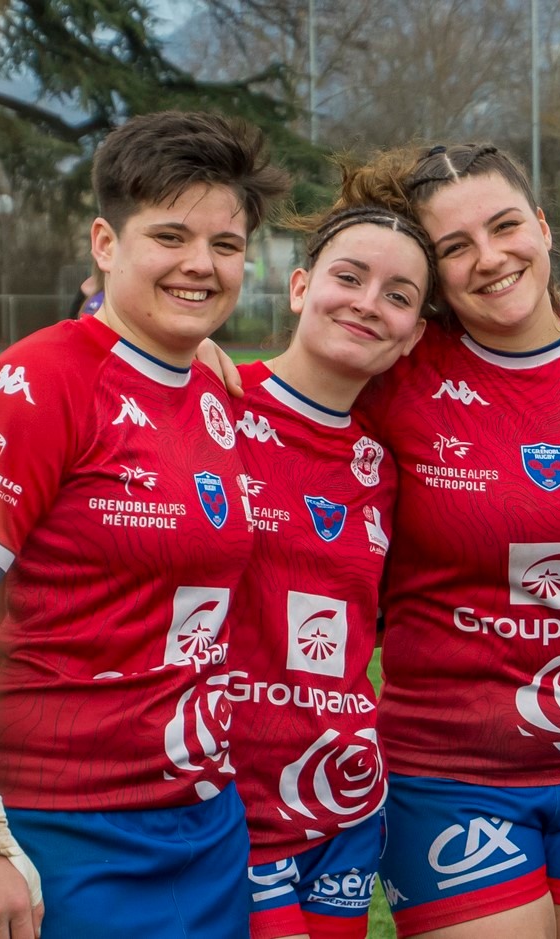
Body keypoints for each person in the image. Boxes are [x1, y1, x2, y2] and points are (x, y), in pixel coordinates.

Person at [0, 110, 289, 939]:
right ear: (104, 242)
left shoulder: (211, 388)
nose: (201, 265)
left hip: (203, 828)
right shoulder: (33, 385)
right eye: (170, 236)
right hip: (58, 830)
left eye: (226, 245)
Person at [362, 143, 560, 939]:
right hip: (449, 765)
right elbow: (281, 410)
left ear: (542, 226)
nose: (490, 258)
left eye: (505, 225)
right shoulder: (392, 375)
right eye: (454, 248)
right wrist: (203, 363)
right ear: (432, 273)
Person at [226, 152, 432, 939]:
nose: (368, 304)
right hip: (229, 807)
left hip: (342, 809)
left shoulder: (386, 463)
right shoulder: (210, 404)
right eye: (349, 277)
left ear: (414, 334)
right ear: (300, 286)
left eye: (399, 296)